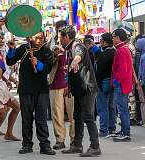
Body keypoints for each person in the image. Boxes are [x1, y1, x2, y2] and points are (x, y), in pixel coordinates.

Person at [6, 31, 56, 155]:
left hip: (41, 90)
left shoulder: (46, 51)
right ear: (31, 38)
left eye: (41, 38)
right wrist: (12, 49)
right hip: (26, 90)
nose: (39, 40)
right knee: (26, 119)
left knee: (41, 119)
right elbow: (10, 61)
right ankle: (27, 145)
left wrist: (38, 65)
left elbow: (48, 68)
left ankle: (44, 145)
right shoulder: (24, 48)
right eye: (36, 38)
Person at [59, 26, 101, 157]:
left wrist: (75, 62)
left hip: (87, 88)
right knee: (78, 117)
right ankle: (77, 145)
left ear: (66, 37)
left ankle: (95, 147)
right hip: (79, 90)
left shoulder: (77, 46)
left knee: (88, 116)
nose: (59, 40)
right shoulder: (69, 48)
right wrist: (70, 87)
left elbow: (78, 55)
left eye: (60, 37)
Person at [49, 45, 75, 150]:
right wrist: (54, 55)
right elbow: (49, 64)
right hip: (56, 85)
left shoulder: (75, 50)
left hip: (71, 86)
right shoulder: (54, 51)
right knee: (57, 114)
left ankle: (74, 140)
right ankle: (60, 140)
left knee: (73, 114)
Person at [112, 28, 134, 142]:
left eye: (114, 36)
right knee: (122, 109)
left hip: (122, 84)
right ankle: (124, 131)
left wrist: (116, 81)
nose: (112, 38)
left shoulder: (122, 50)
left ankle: (126, 133)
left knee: (123, 109)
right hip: (123, 83)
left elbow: (123, 70)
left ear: (118, 37)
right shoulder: (123, 49)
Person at [96, 33, 116, 137]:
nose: (100, 42)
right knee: (111, 106)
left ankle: (104, 130)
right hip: (112, 82)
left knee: (103, 107)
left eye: (101, 40)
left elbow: (99, 72)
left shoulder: (104, 55)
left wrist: (97, 83)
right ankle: (112, 128)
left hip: (103, 82)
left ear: (105, 42)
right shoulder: (115, 52)